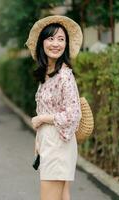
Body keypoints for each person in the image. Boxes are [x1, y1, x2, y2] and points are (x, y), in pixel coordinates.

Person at [25, 15, 83, 200]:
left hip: (59, 143)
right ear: (42, 42)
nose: (56, 44)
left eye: (61, 39)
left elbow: (74, 114)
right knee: (63, 197)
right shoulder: (47, 75)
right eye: (51, 38)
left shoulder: (65, 75)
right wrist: (38, 140)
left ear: (66, 44)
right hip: (49, 142)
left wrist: (42, 119)